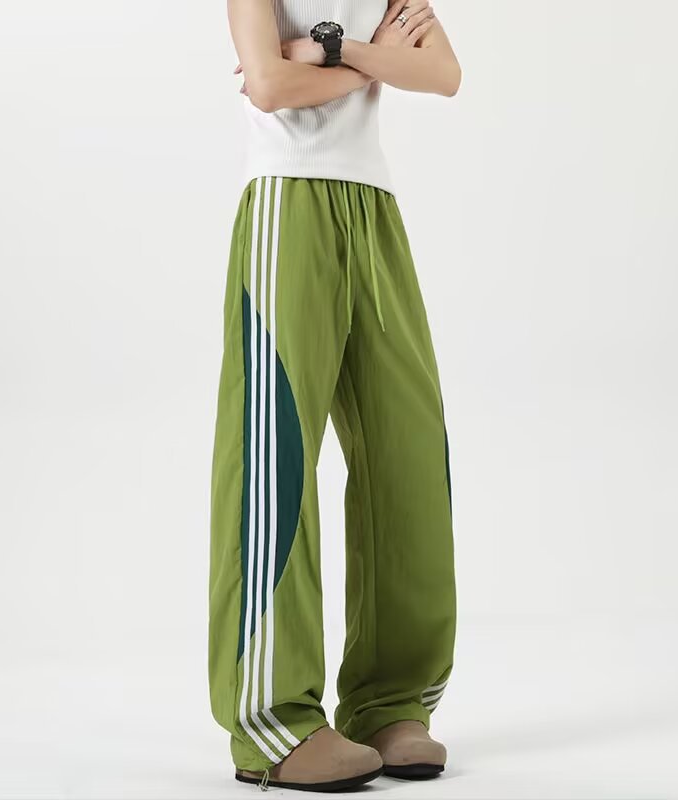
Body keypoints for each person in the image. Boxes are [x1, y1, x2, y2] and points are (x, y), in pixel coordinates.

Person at [208, 0, 461, 791]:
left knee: (407, 455)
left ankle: (390, 702)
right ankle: (274, 720)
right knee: (275, 459)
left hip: (373, 208)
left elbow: (443, 74)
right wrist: (371, 59)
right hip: (288, 203)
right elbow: (268, 87)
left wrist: (328, 51)